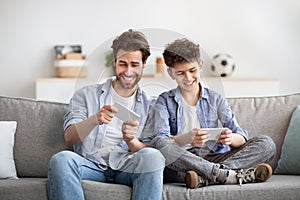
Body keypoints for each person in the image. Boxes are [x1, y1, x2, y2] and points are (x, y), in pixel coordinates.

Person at [47, 29, 165, 200]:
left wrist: (132, 141)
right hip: (90, 166)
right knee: (61, 160)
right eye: (123, 64)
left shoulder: (152, 106)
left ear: (144, 65)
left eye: (135, 65)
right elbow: (69, 137)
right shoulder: (85, 95)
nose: (129, 71)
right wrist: (95, 120)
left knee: (153, 156)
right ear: (115, 62)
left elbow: (156, 153)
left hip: (127, 168)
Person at [144, 38, 276, 189]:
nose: (188, 78)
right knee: (159, 145)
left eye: (192, 71)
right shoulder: (164, 101)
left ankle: (209, 176)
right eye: (180, 73)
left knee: (267, 143)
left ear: (200, 65)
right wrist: (187, 138)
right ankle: (226, 174)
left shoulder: (215, 98)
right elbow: (162, 139)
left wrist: (230, 138)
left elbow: (241, 136)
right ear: (171, 73)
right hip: (183, 160)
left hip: (213, 157)